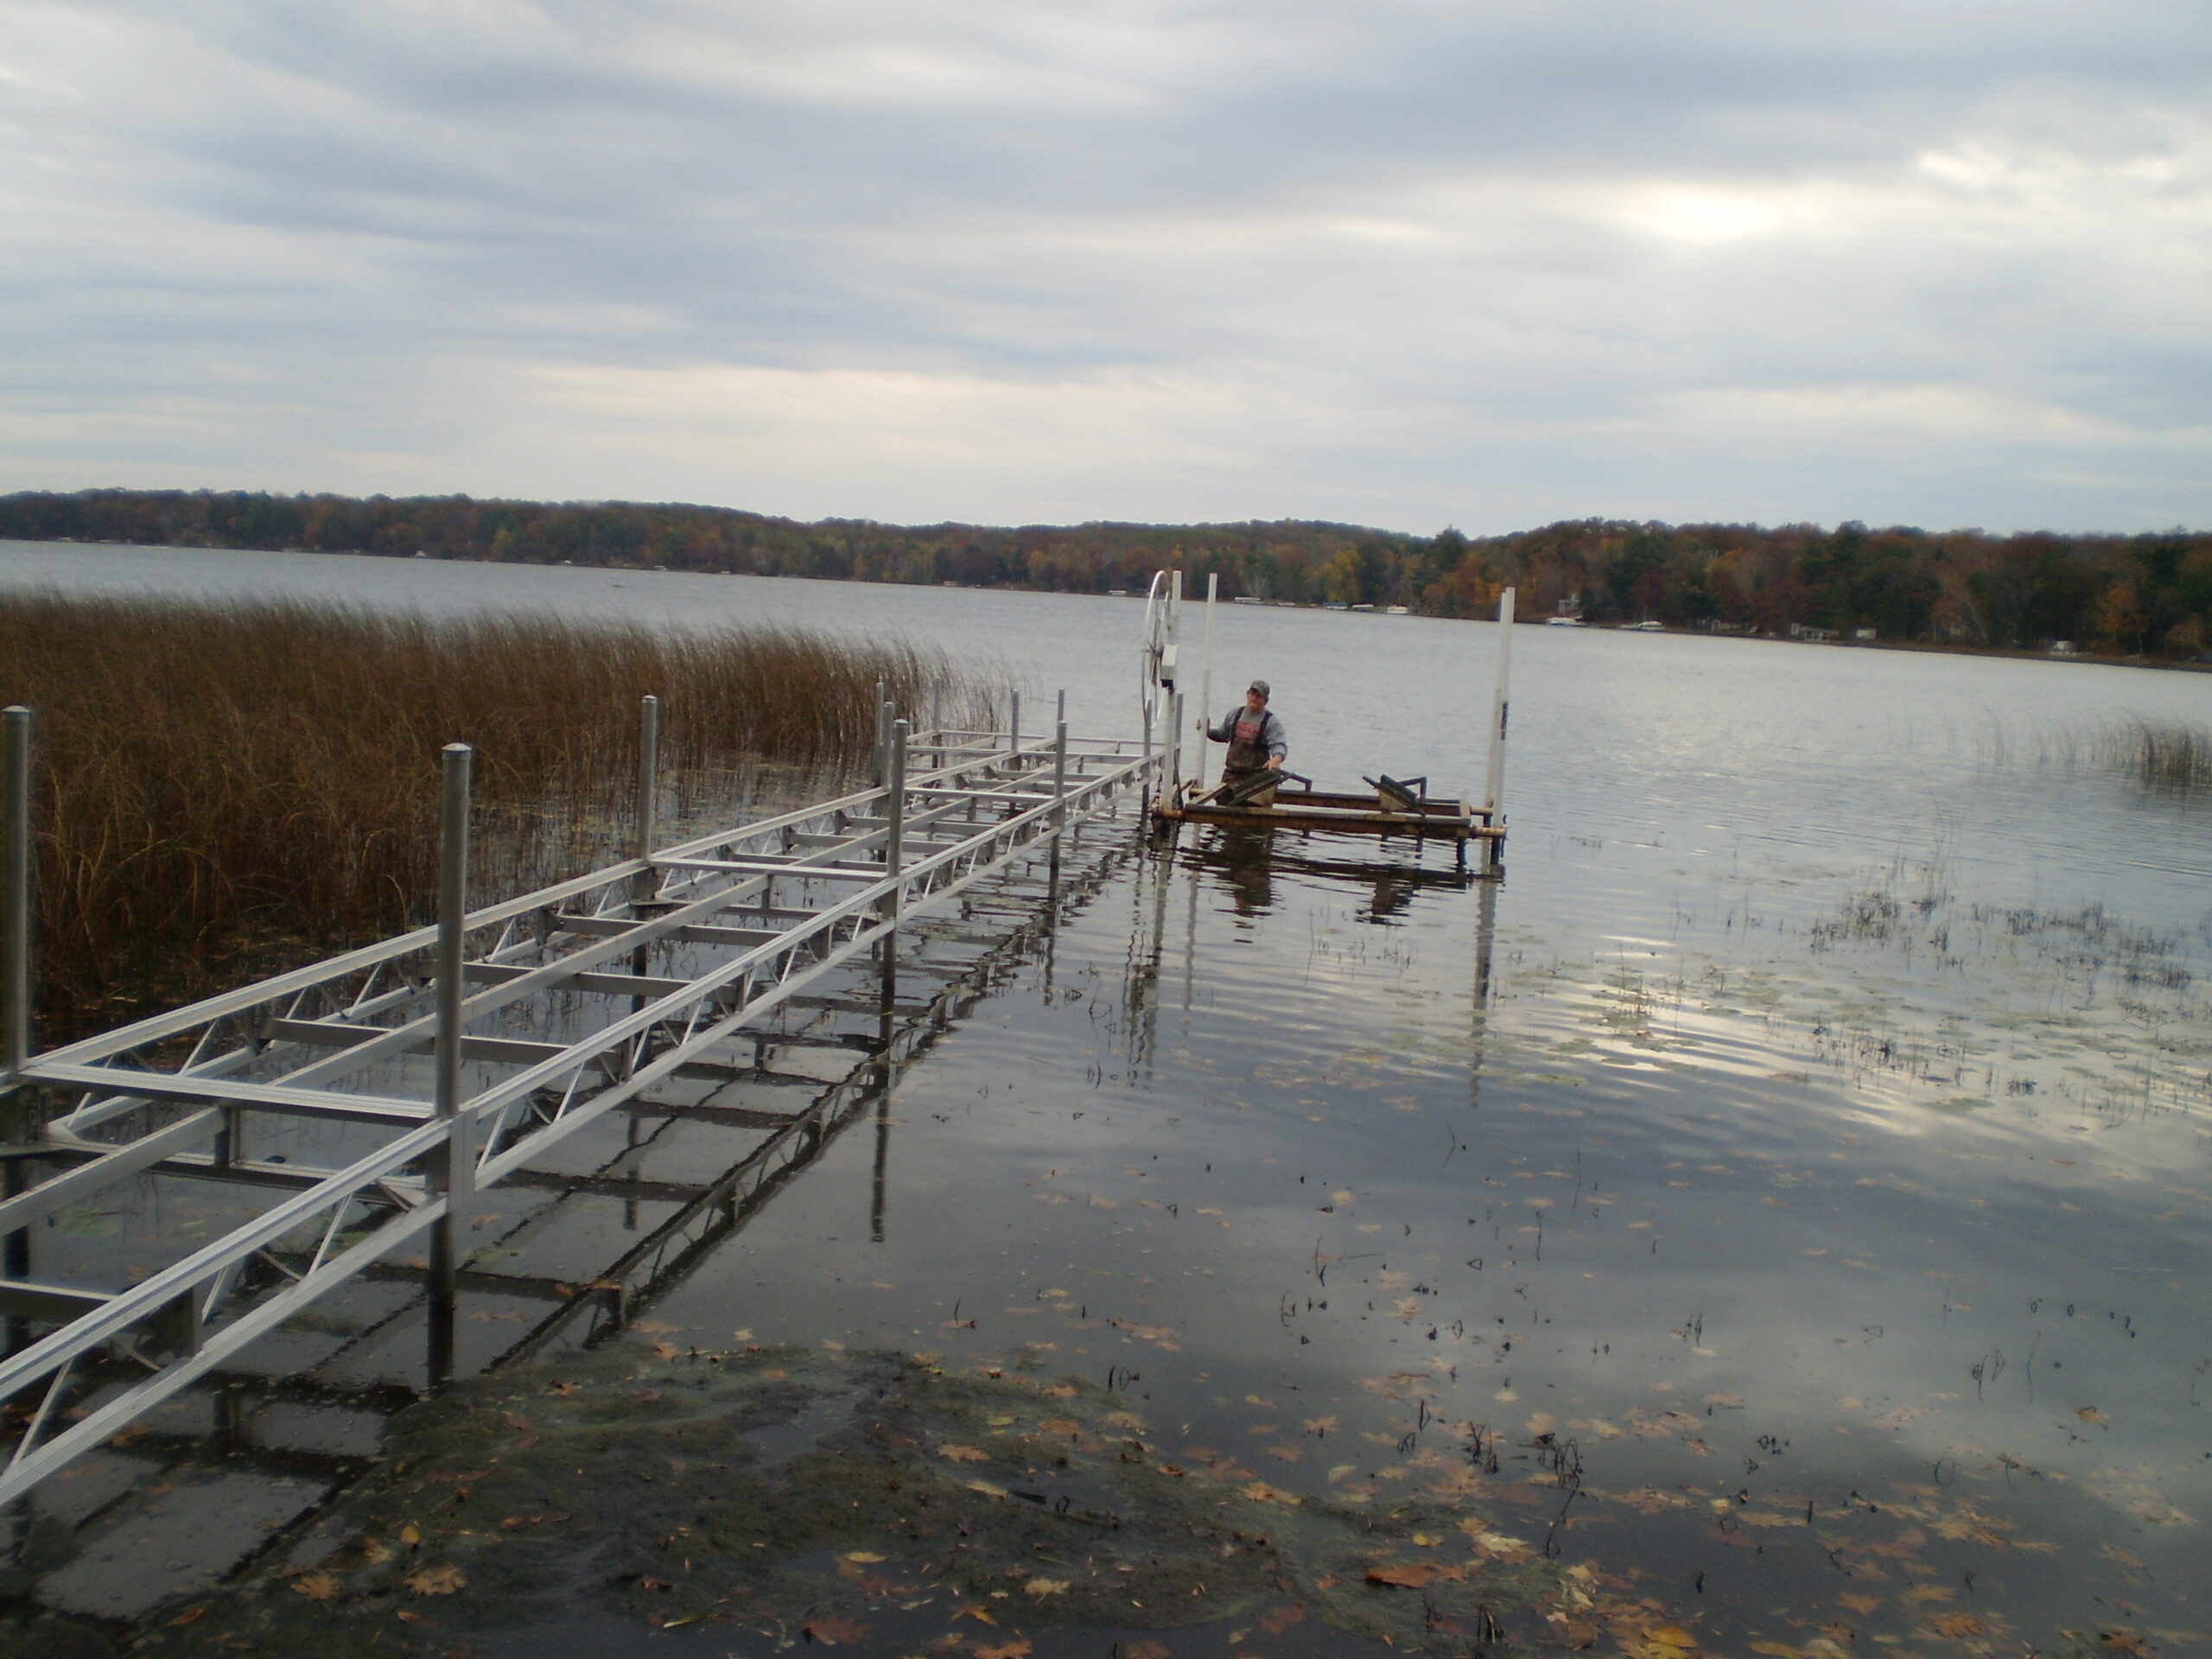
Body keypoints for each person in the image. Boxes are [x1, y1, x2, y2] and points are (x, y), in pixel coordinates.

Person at [1208, 679, 1288, 805]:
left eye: (1258, 696)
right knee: (1223, 811)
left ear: (1266, 701)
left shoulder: (1271, 722)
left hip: (1256, 779)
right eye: (1252, 694)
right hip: (1231, 775)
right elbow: (1222, 735)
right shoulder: (1235, 714)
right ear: (1247, 694)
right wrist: (1206, 731)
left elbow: (1279, 745)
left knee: (1252, 813)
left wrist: (1276, 760)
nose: (1254, 698)